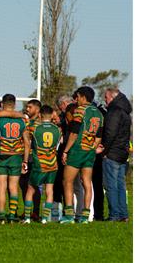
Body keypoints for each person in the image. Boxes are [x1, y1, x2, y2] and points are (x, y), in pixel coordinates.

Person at [60, 86, 104, 224]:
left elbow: (73, 133)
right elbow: (99, 137)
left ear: (83, 97)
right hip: (89, 152)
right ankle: (85, 217)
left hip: (77, 150)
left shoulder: (80, 110)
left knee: (67, 181)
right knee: (86, 183)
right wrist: (92, 148)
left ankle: (68, 216)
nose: (76, 99)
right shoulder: (99, 113)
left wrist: (66, 151)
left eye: (77, 96)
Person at [22, 105, 62, 224]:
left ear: (40, 115)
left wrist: (25, 161)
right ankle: (44, 219)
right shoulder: (57, 130)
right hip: (53, 164)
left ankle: (27, 218)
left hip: (39, 163)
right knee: (49, 190)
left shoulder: (34, 128)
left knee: (30, 189)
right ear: (51, 115)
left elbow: (27, 143)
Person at [99, 88, 132, 222]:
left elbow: (110, 133)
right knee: (120, 185)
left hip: (112, 154)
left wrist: (104, 150)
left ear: (112, 97)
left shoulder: (114, 112)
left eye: (106, 97)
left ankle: (114, 215)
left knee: (110, 185)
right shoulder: (125, 112)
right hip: (122, 154)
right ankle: (123, 214)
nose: (105, 100)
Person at [0, 94, 26, 224]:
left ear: (2, 103)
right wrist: (25, 160)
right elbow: (27, 142)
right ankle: (12, 216)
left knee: (1, 187)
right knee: (13, 187)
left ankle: (1, 216)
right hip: (16, 156)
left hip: (1, 155)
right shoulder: (22, 120)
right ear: (14, 104)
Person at [19, 99, 42, 221]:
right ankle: (27, 211)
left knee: (33, 185)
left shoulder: (38, 124)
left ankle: (36, 211)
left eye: (30, 107)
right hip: (23, 156)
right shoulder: (25, 121)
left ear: (37, 109)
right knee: (23, 184)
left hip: (34, 157)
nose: (27, 109)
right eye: (27, 107)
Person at [53, 95, 74, 221]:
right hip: (65, 152)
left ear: (65, 104)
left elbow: (72, 134)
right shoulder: (63, 118)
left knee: (68, 182)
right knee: (61, 183)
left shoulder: (72, 117)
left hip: (69, 153)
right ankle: (59, 211)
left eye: (61, 108)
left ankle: (69, 212)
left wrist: (64, 145)